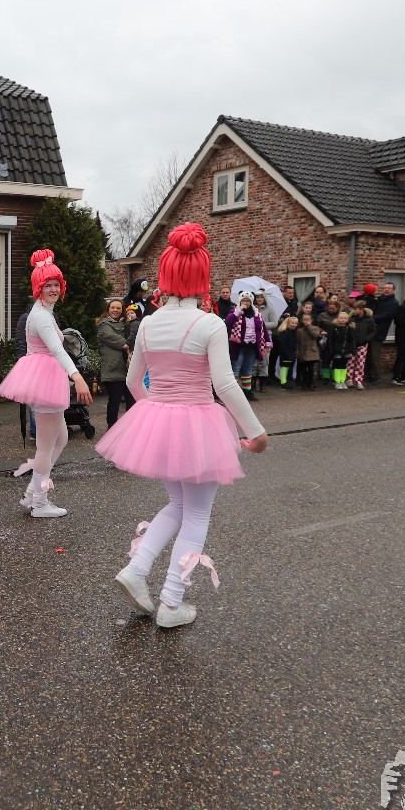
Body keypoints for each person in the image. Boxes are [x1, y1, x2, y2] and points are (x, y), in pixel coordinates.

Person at [95, 222, 267, 630]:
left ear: (167, 275)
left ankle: (137, 569)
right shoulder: (209, 324)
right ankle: (171, 600)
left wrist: (156, 416)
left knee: (178, 504)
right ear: (202, 276)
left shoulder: (148, 324)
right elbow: (225, 383)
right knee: (197, 512)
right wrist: (255, 431)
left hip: (163, 417)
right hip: (200, 421)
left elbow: (134, 382)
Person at [0, 250, 93, 519]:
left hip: (46, 377)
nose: (53, 289)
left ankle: (33, 492)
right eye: (47, 285)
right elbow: (57, 350)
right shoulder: (41, 316)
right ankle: (39, 502)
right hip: (45, 380)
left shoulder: (45, 312)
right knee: (45, 446)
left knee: (60, 438)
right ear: (38, 288)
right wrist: (77, 377)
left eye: (56, 284)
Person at [96, 299, 133, 427]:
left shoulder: (126, 325)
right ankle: (111, 428)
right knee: (114, 401)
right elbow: (119, 342)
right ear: (108, 309)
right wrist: (129, 343)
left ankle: (130, 427)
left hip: (127, 369)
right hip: (113, 368)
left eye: (118, 308)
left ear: (122, 310)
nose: (115, 310)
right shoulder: (104, 325)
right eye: (113, 308)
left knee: (131, 401)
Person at [225, 292, 269, 398]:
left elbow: (263, 328)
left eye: (248, 301)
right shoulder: (234, 312)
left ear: (251, 302)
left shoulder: (257, 314)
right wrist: (239, 311)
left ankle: (247, 391)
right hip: (238, 346)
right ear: (240, 302)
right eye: (244, 300)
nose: (246, 302)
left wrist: (267, 342)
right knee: (236, 368)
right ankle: (233, 393)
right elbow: (228, 322)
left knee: (248, 369)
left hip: (252, 346)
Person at [367, 283, 399, 383]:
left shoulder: (393, 303)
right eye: (385, 288)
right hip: (369, 330)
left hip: (379, 332)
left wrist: (370, 318)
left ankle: (376, 376)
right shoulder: (379, 299)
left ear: (393, 290)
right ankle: (368, 374)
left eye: (389, 288)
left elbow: (385, 315)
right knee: (367, 355)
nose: (386, 290)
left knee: (375, 356)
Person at [348, 304, 375, 389]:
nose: (354, 311)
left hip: (362, 344)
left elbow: (373, 331)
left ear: (361, 309)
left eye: (356, 309)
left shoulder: (369, 320)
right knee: (350, 362)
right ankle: (349, 379)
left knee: (360, 363)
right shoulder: (351, 319)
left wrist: (366, 339)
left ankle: (358, 380)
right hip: (352, 344)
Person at [331, 310, 357, 390]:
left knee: (344, 365)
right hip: (337, 350)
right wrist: (332, 349)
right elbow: (331, 340)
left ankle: (342, 381)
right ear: (338, 319)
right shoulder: (334, 328)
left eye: (345, 318)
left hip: (346, 349)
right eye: (341, 318)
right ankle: (337, 381)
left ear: (347, 319)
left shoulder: (349, 328)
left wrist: (352, 349)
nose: (343, 320)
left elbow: (352, 339)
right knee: (337, 365)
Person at [296, 312, 323, 390]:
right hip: (303, 351)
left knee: (311, 368)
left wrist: (309, 327)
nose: (306, 321)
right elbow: (298, 342)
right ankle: (304, 384)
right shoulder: (299, 330)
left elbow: (315, 336)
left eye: (308, 319)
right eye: (304, 320)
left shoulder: (315, 328)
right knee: (304, 369)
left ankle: (311, 383)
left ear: (311, 320)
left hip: (312, 351)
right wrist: (297, 351)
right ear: (302, 321)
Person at [272, 315, 299, 389]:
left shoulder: (293, 332)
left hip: (291, 353)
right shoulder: (285, 332)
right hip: (286, 354)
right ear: (288, 323)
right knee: (284, 367)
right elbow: (283, 344)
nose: (294, 325)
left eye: (295, 323)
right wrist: (287, 353)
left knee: (287, 368)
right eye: (292, 323)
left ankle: (285, 382)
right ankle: (283, 383)